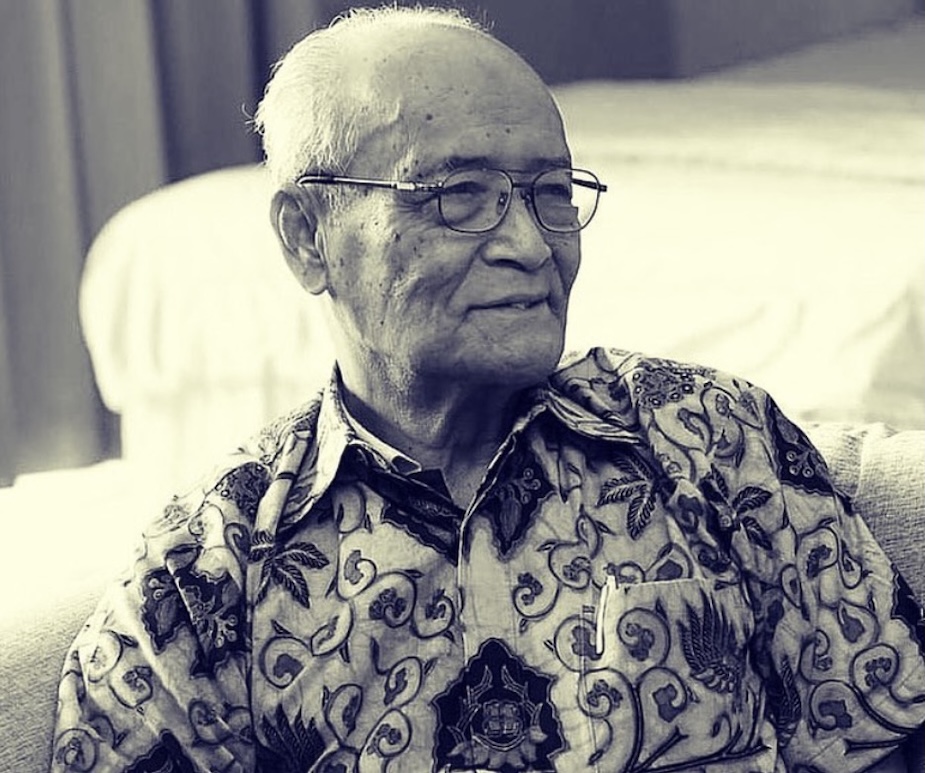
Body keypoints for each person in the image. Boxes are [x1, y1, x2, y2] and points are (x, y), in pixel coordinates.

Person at [51, 5, 925, 772]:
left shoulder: (714, 439)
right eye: (459, 194)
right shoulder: (199, 580)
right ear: (307, 238)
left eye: (551, 192)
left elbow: (877, 740)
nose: (530, 244)